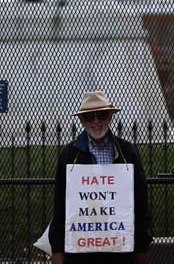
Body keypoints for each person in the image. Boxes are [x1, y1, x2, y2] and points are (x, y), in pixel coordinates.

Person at [49, 90, 152, 264]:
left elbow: (141, 202)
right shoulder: (69, 155)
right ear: (82, 120)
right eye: (90, 117)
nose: (96, 121)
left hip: (119, 249)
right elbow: (61, 205)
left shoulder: (127, 152)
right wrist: (57, 249)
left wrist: (142, 246)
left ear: (110, 116)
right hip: (81, 252)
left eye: (102, 115)